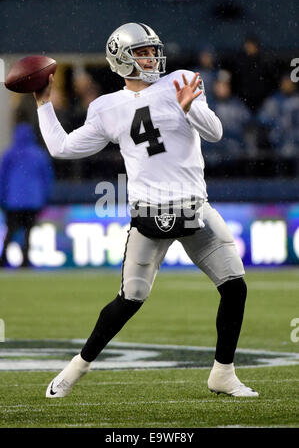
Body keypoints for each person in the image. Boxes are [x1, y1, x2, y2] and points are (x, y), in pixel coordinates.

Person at [34, 23, 258, 398]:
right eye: (141, 52)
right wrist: (43, 103)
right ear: (122, 59)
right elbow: (62, 148)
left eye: (152, 50)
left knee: (235, 287)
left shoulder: (181, 81)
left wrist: (190, 109)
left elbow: (215, 132)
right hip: (149, 216)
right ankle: (77, 367)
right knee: (130, 299)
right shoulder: (106, 107)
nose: (152, 57)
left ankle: (223, 373)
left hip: (194, 209)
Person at [0, 123, 54, 267]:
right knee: (28, 232)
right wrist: (45, 197)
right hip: (33, 200)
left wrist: (3, 197)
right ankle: (25, 260)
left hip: (13, 201)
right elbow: (47, 178)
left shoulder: (10, 153)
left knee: (11, 230)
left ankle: (3, 258)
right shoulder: (39, 154)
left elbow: (2, 177)